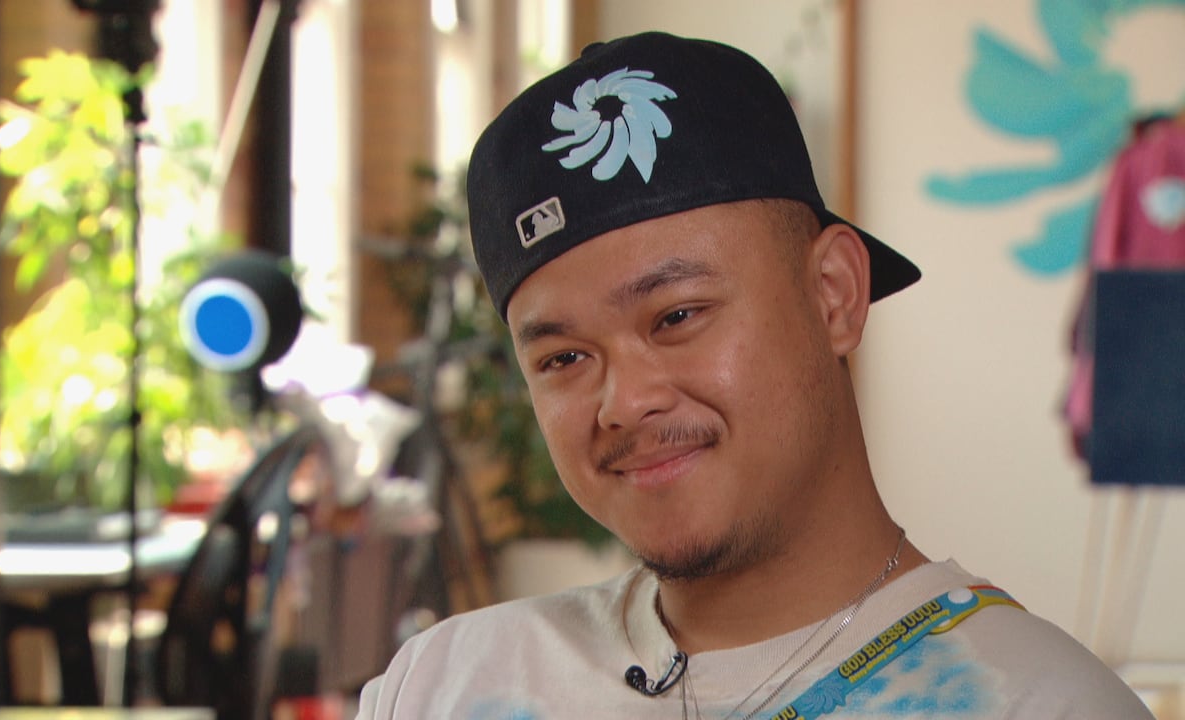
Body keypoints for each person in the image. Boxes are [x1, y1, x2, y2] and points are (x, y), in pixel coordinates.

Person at [355, 31, 1154, 719]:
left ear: (833, 295)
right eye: (563, 358)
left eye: (676, 317)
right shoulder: (444, 685)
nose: (624, 402)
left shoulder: (1035, 702)